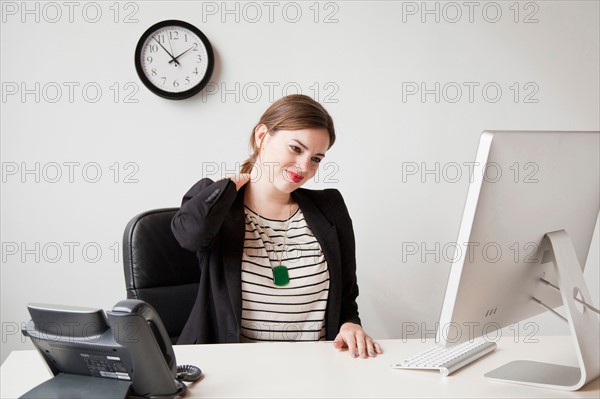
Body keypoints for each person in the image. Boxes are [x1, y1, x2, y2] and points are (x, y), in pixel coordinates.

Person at [171, 94, 382, 359]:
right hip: (234, 371)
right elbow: (190, 235)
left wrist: (351, 324)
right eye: (296, 148)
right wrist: (227, 187)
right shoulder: (220, 207)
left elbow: (347, 298)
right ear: (262, 136)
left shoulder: (330, 208)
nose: (304, 167)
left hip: (316, 371)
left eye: (316, 158)